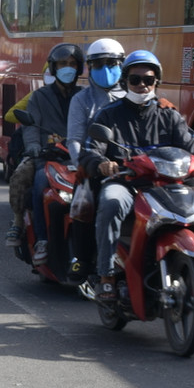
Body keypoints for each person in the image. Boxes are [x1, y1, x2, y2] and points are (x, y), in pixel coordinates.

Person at [79, 51, 194, 307]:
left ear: (156, 82)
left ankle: (189, 267)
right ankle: (105, 275)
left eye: (148, 80)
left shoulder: (169, 115)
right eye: (135, 79)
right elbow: (89, 152)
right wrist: (103, 164)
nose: (142, 85)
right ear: (125, 81)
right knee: (112, 202)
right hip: (127, 184)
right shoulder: (108, 114)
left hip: (166, 187)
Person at [59, 37, 126, 278]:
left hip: (130, 165)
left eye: (112, 63)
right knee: (84, 202)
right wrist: (83, 166)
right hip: (95, 164)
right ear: (90, 68)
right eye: (99, 64)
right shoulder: (82, 100)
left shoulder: (133, 96)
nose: (106, 69)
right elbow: (75, 139)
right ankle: (83, 259)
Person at [14, 43, 84, 268]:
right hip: (49, 158)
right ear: (54, 69)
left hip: (79, 159)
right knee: (37, 182)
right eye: (63, 64)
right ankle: (40, 238)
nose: (68, 68)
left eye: (72, 64)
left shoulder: (83, 97)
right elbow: (31, 127)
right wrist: (34, 146)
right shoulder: (39, 97)